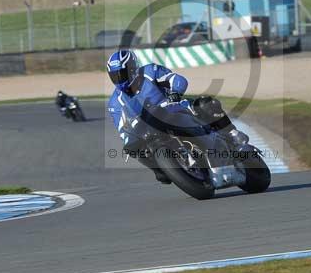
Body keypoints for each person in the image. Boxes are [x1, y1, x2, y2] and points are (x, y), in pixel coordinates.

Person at [106, 49, 247, 183]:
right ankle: (160, 170)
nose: (119, 79)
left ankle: (232, 133)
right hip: (149, 128)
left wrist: (175, 92)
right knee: (133, 148)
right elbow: (122, 130)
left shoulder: (150, 71)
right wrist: (129, 140)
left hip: (175, 109)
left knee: (206, 103)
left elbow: (176, 79)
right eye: (115, 76)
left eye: (122, 74)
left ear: (132, 68)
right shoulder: (115, 103)